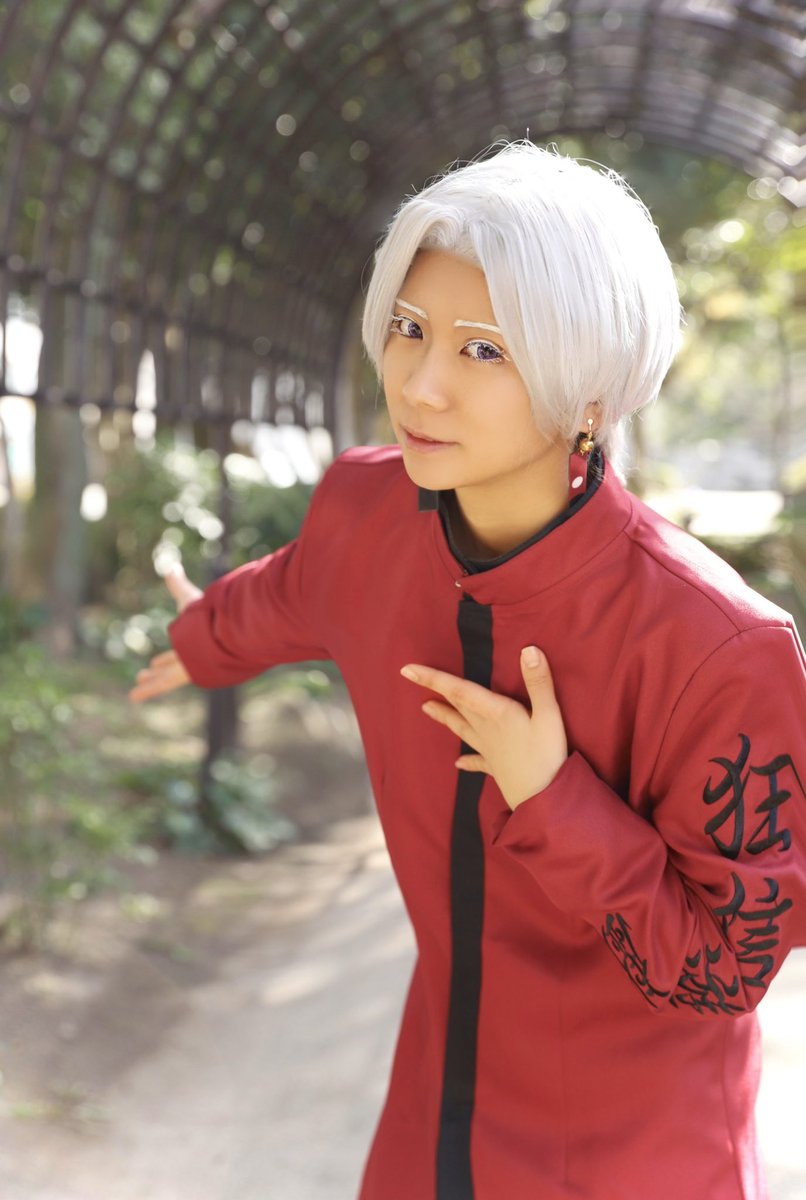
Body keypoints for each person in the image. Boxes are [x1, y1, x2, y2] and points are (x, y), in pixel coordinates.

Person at [129, 141, 806, 1200]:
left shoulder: (719, 648)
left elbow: (724, 970)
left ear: (590, 396)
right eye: (408, 329)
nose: (421, 384)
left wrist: (552, 796)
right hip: (431, 1119)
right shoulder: (366, 514)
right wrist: (204, 636)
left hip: (638, 1158)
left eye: (483, 350)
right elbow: (295, 588)